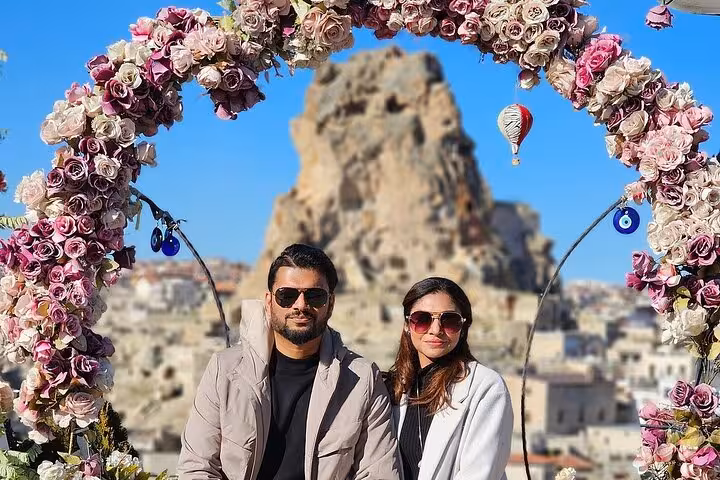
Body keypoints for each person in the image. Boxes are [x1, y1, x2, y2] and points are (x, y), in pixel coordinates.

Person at [177, 244, 402, 480]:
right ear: (268, 301)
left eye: (314, 295)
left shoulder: (362, 380)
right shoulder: (224, 370)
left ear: (331, 303)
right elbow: (197, 467)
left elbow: (378, 473)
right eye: (287, 295)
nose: (300, 305)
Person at [386, 277, 513, 480]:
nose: (435, 330)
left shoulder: (485, 387)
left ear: (463, 328)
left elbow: (480, 473)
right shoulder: (393, 387)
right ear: (407, 325)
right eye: (422, 319)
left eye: (449, 320)